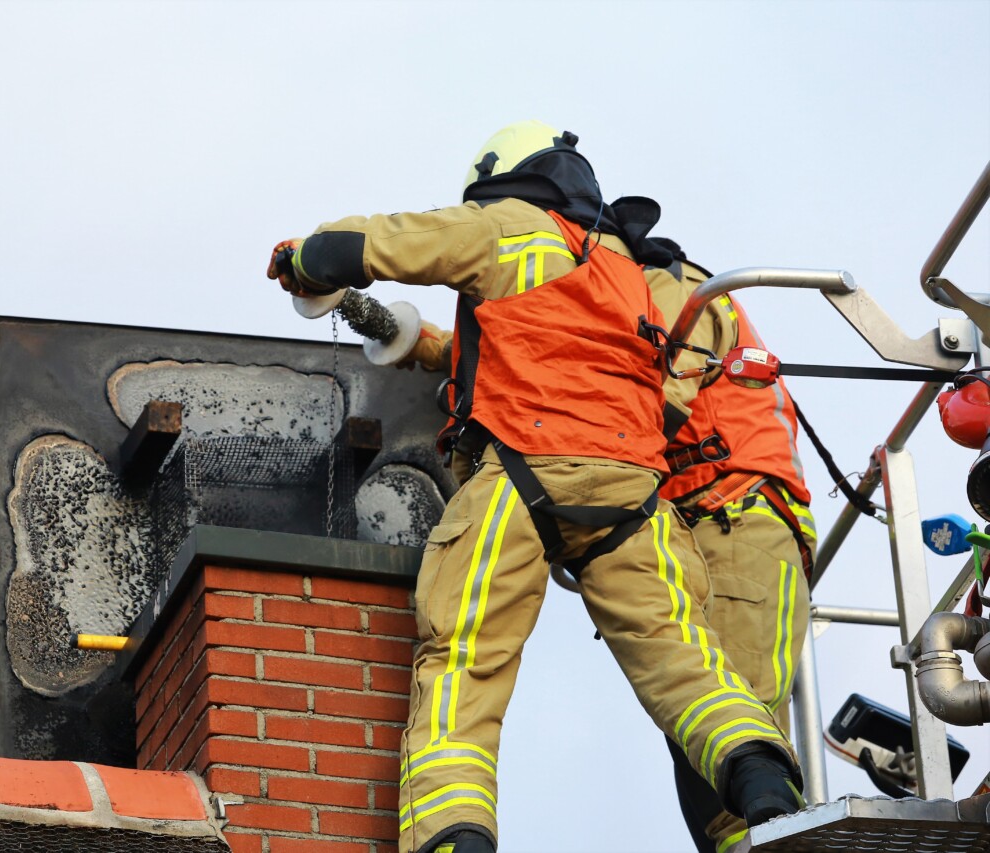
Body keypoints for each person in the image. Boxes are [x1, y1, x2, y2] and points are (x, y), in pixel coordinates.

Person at [267, 121, 803, 853]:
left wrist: (304, 260)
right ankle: (761, 777)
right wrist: (424, 344)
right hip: (633, 494)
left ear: (502, 181)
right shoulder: (628, 272)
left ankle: (453, 835)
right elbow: (558, 345)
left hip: (522, 478)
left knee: (465, 660)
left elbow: (380, 243)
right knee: (684, 656)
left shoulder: (508, 227)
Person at [641, 237, 816, 853]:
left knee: (739, 733)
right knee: (701, 729)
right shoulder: (650, 294)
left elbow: (638, 401)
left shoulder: (671, 294)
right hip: (706, 528)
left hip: (735, 521)